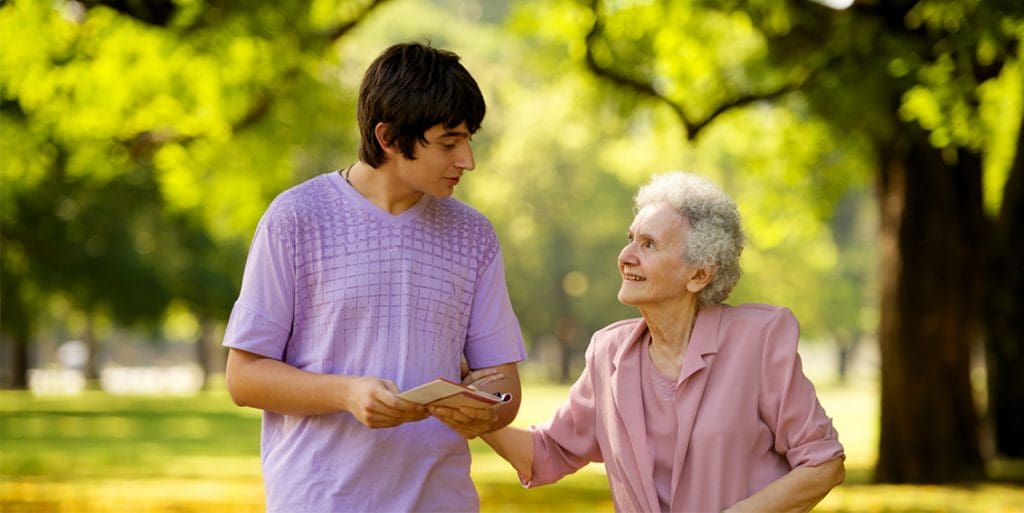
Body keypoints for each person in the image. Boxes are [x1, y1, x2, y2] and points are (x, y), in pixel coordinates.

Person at [222, 42, 526, 513]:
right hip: (319, 500)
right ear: (388, 137)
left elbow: (504, 384)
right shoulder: (296, 219)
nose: (467, 160)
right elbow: (244, 379)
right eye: (449, 143)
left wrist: (484, 410)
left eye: (469, 140)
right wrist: (346, 394)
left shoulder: (475, 236)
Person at [465, 172, 845, 512]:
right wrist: (471, 411)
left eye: (648, 245)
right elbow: (546, 454)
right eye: (630, 239)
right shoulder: (607, 353)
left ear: (699, 274)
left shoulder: (757, 340)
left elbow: (823, 464)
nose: (626, 256)